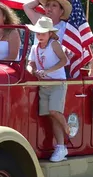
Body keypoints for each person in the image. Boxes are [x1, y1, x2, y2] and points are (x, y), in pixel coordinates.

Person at [26, 17, 69, 162]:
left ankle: (67, 127)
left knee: (54, 112)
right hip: (43, 84)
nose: (40, 36)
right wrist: (33, 71)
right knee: (51, 116)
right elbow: (30, 64)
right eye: (38, 33)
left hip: (58, 83)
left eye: (43, 33)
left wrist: (48, 71)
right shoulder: (34, 47)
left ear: (50, 33)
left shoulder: (54, 44)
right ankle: (61, 147)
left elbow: (64, 61)